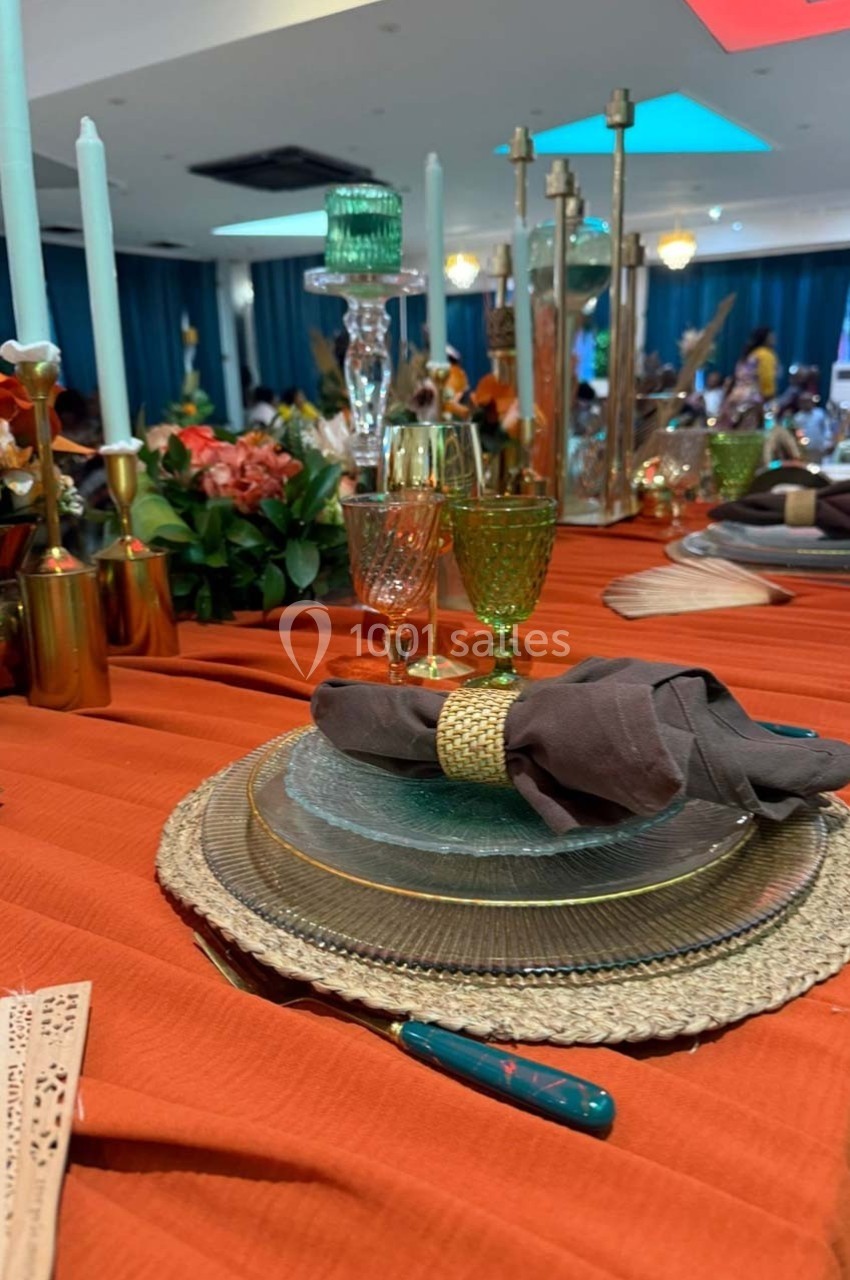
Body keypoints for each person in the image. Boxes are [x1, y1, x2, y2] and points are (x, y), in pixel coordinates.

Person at [717, 328, 779, 430]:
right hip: (753, 397)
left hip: (736, 395)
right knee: (749, 433)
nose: (774, 339)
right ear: (766, 339)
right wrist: (769, 396)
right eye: (772, 337)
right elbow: (766, 378)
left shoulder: (748, 355)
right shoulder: (765, 355)